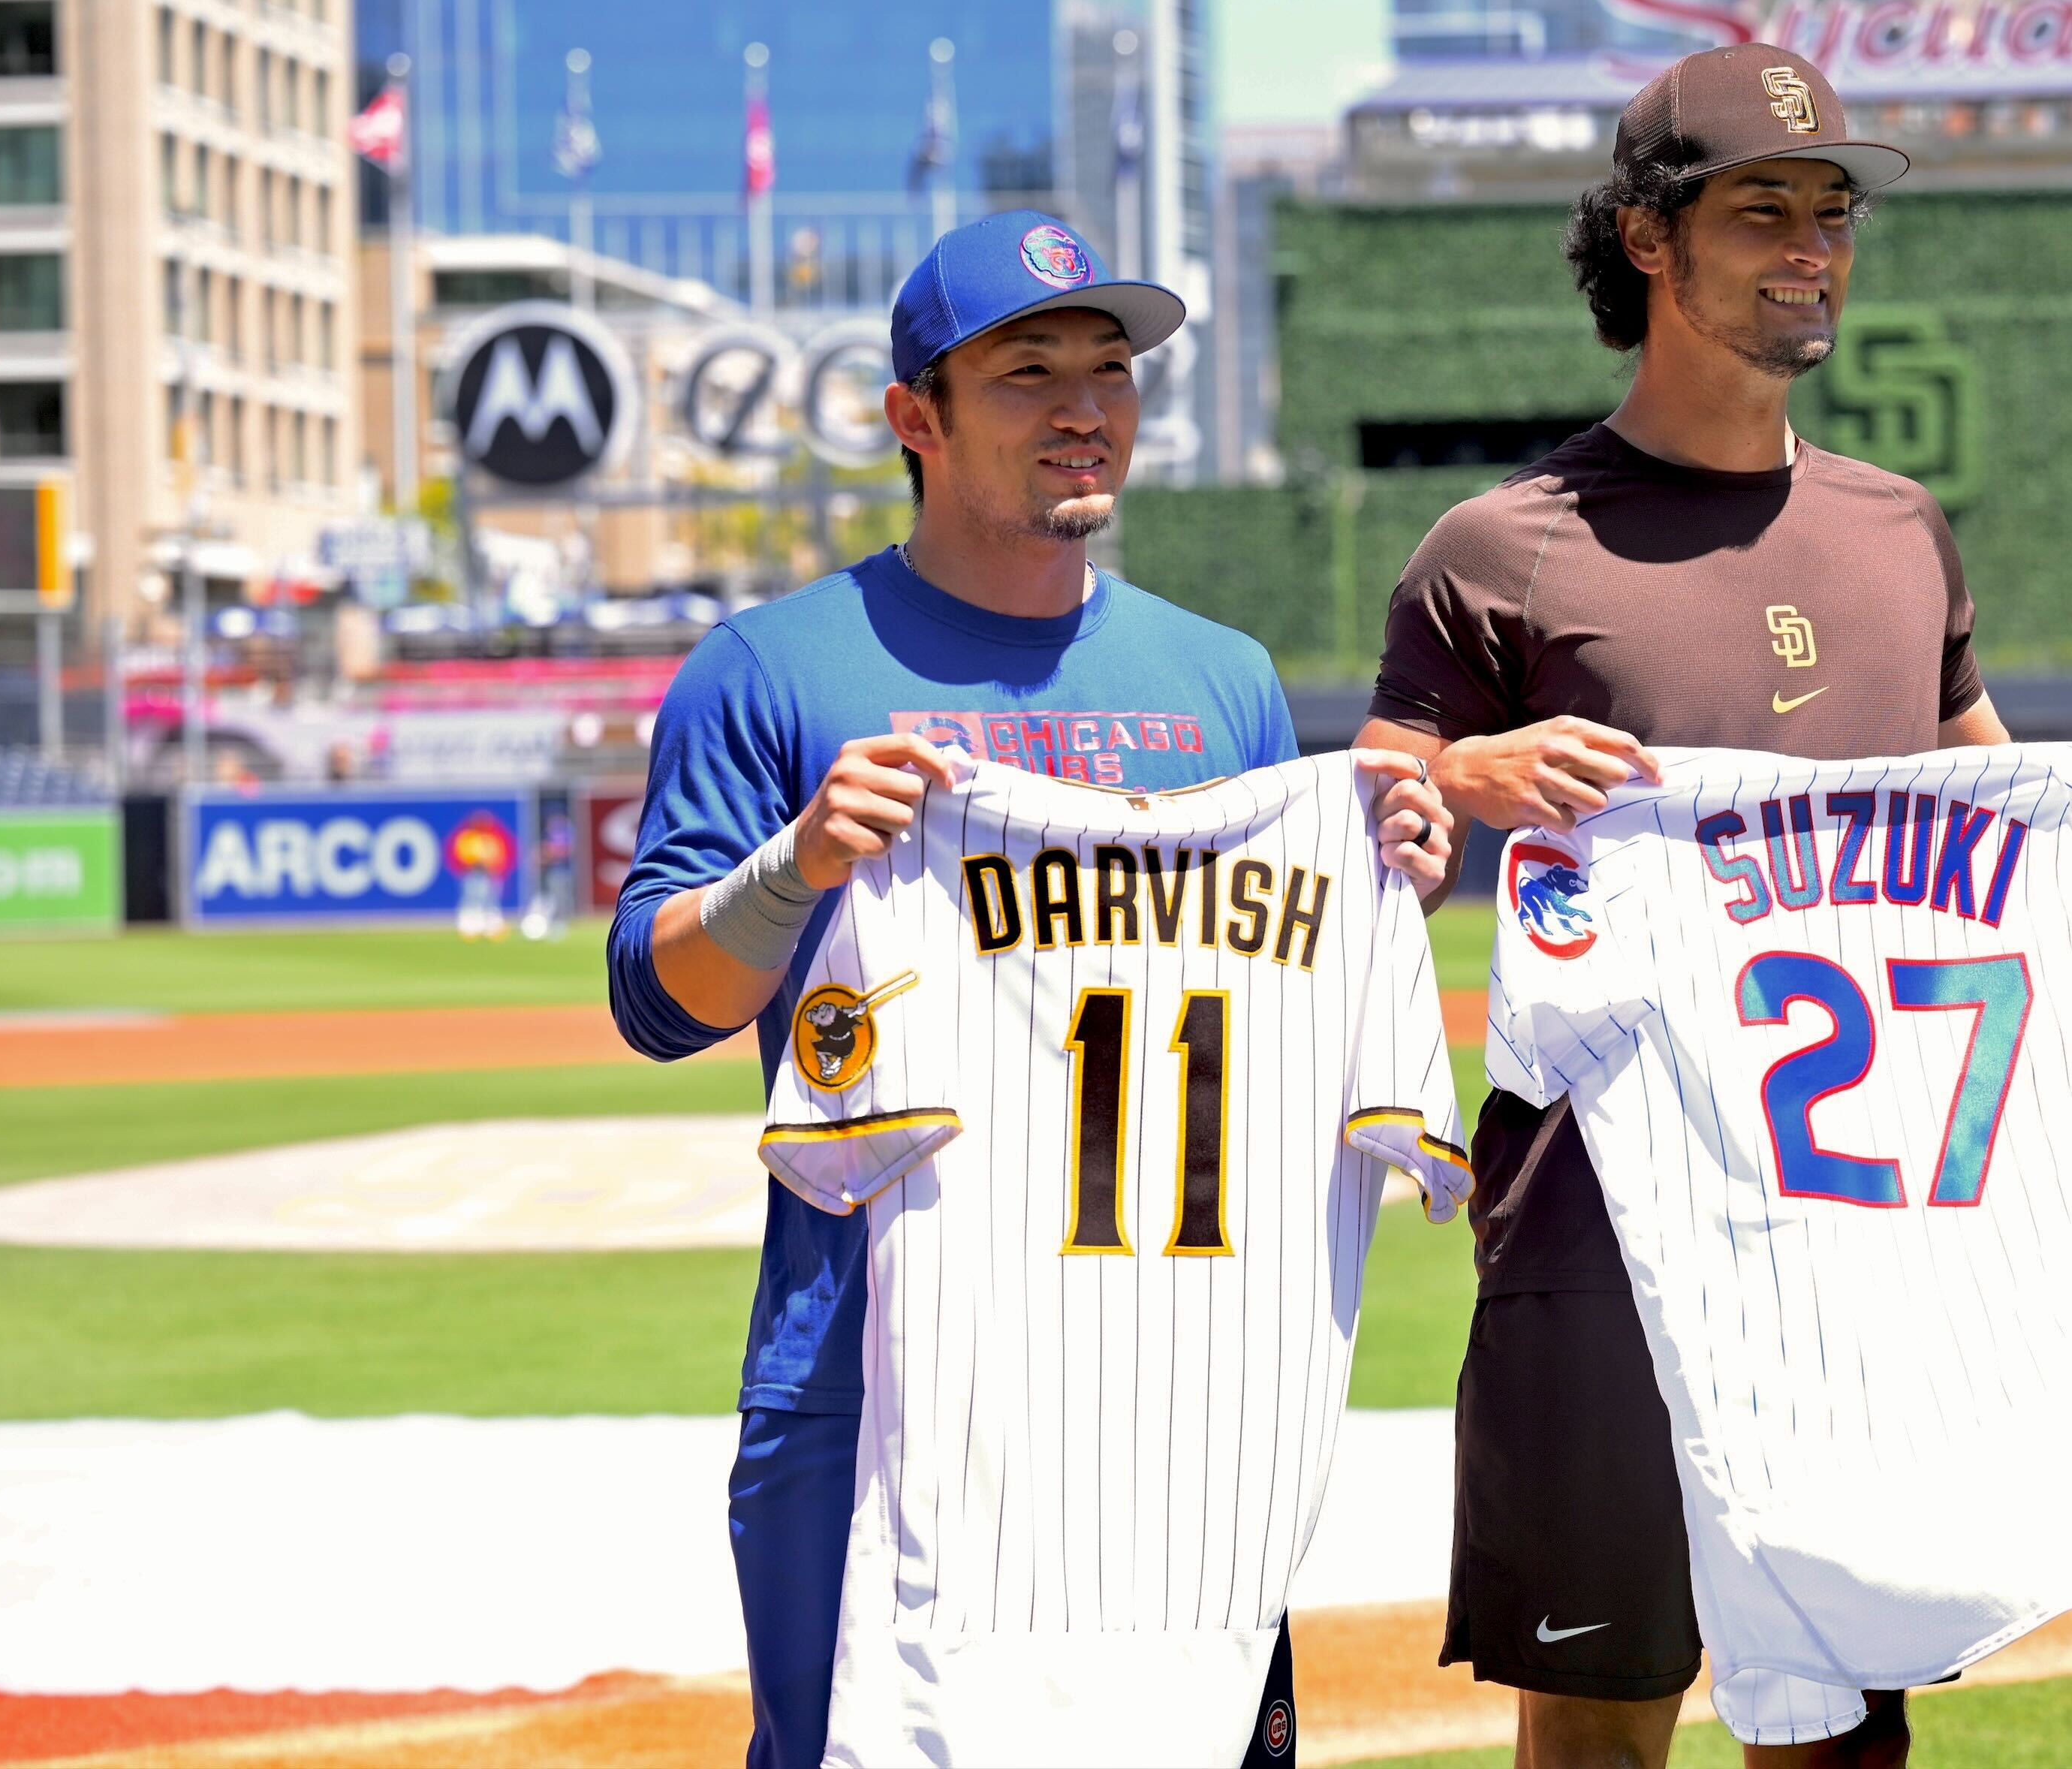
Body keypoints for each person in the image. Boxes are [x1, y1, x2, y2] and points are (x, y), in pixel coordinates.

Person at [1354, 44, 2072, 1769]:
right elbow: (1367, 807)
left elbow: (1989, 808)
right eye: (1760, 207)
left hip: (1855, 1245)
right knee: (1599, 1729)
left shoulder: (1896, 526)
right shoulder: (1501, 546)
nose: (1811, 246)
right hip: (1592, 1230)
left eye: (1831, 211)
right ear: (1641, 238)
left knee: (1841, 1737)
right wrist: (1469, 774)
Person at [607, 209, 1450, 1769]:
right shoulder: (773, 668)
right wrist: (792, 865)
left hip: (1178, 1384)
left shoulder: (1222, 680)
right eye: (1028, 370)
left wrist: (1392, 860)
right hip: (870, 1373)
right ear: (912, 418)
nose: (1085, 405)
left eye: (1112, 368)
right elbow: (659, 1001)